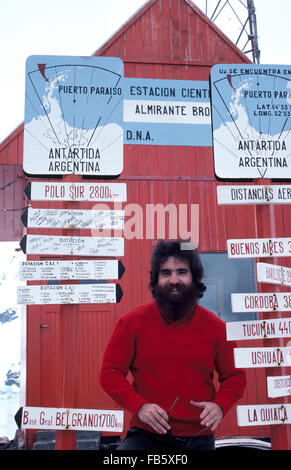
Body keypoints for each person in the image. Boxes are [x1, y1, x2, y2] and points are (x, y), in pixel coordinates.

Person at [100, 240, 246, 451]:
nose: (174, 280)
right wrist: (140, 407)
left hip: (198, 439)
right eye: (166, 273)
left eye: (182, 272)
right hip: (146, 436)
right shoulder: (131, 323)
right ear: (156, 279)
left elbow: (235, 376)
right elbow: (110, 372)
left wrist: (220, 405)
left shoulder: (217, 328)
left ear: (194, 278)